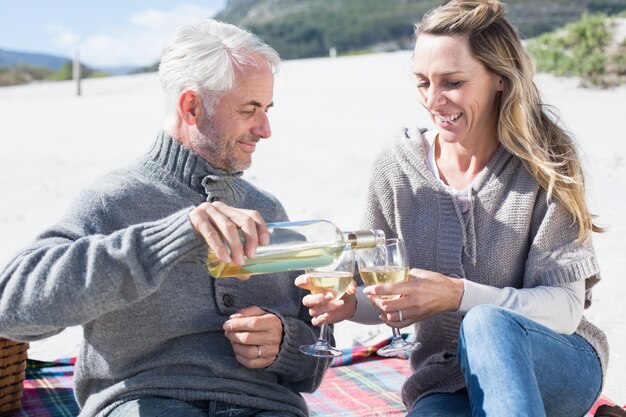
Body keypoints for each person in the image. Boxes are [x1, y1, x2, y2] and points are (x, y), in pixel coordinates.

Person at [0, 19, 330, 417]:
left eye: (267, 108)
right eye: (249, 109)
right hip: (144, 401)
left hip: (266, 406)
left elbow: (312, 366)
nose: (265, 129)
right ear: (191, 107)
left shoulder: (268, 209)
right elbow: (12, 308)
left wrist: (284, 345)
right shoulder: (113, 200)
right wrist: (170, 239)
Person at [297, 1, 608, 416]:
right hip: (446, 379)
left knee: (486, 322)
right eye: (422, 82)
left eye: (452, 82)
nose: (433, 100)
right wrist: (352, 305)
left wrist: (459, 295)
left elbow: (566, 310)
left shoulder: (544, 162)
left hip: (555, 365)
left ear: (499, 77)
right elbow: (385, 292)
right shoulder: (398, 166)